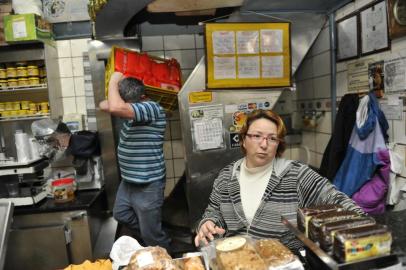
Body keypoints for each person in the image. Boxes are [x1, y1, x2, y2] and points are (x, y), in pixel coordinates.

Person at [194, 109, 364, 252]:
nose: (264, 144)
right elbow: (214, 211)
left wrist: (366, 225)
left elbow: (336, 199)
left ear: (278, 145)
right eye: (257, 136)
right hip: (237, 260)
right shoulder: (226, 177)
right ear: (244, 140)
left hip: (284, 261)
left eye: (272, 138)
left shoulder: (296, 174)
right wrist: (208, 222)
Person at [99, 71, 170, 249]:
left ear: (142, 97)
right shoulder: (132, 109)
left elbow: (115, 107)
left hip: (148, 184)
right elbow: (104, 105)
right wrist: (120, 98)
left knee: (151, 234)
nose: (125, 107)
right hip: (129, 182)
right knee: (121, 214)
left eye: (128, 104)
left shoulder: (152, 108)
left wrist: (115, 80)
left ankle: (162, 250)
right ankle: (153, 238)